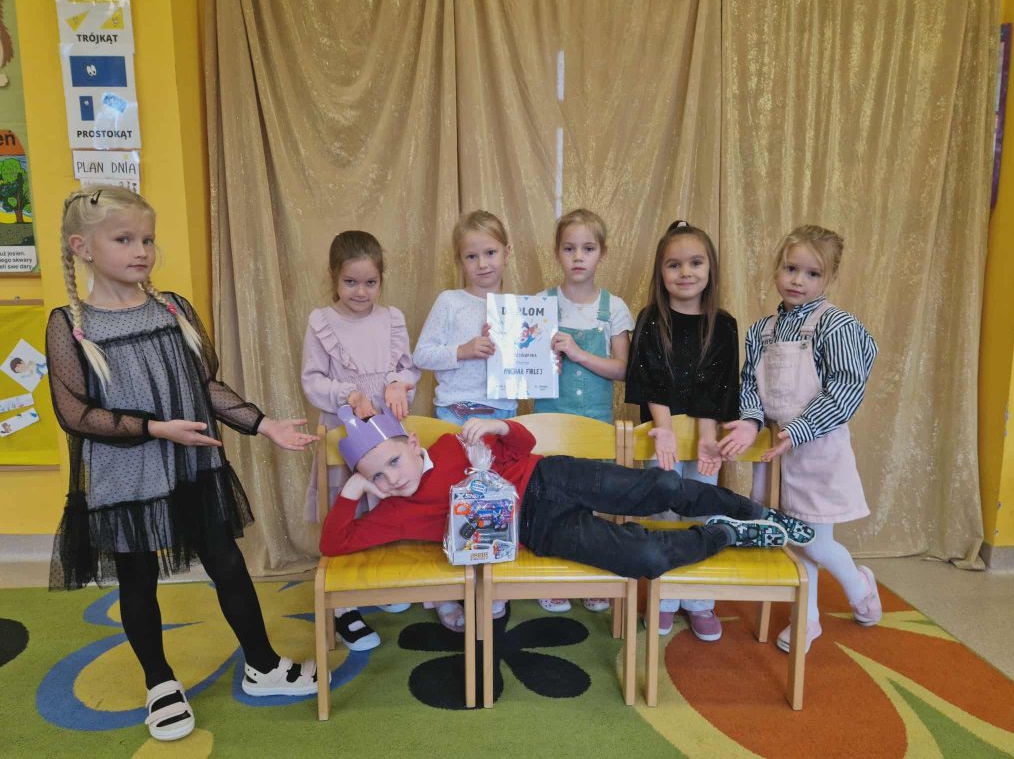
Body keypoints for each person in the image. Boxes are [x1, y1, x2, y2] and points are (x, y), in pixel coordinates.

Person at [46, 186, 321, 743]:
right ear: (82, 247)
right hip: (124, 477)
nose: (141, 250)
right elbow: (74, 413)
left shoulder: (172, 309)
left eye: (147, 239)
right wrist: (154, 428)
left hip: (188, 468)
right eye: (124, 239)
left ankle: (263, 665)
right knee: (137, 580)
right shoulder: (70, 325)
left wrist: (262, 423)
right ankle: (160, 683)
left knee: (227, 563)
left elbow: (204, 387)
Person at [319, 406, 817, 634]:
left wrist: (499, 425)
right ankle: (728, 533)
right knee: (644, 557)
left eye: (393, 462)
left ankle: (755, 511)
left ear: (412, 444)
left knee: (663, 486)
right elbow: (334, 543)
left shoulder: (453, 443)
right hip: (536, 530)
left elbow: (525, 445)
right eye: (376, 476)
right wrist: (352, 490)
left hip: (547, 476)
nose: (390, 479)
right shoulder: (394, 510)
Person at [718, 225, 881, 653]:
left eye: (812, 274)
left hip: (818, 449)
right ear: (777, 268)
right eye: (791, 268)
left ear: (829, 278)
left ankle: (859, 586)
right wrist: (750, 421)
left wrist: (800, 430)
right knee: (789, 538)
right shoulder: (761, 331)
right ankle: (807, 619)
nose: (798, 280)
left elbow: (845, 388)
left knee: (816, 540)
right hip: (775, 452)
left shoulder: (835, 325)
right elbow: (750, 386)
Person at [301, 230, 419, 652]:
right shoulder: (322, 322)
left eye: (370, 282)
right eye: (350, 282)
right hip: (346, 430)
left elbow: (408, 369)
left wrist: (397, 383)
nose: (361, 291)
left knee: (386, 505)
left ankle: (378, 582)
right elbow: (313, 380)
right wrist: (348, 395)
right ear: (334, 277)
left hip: (387, 432)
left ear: (381, 279)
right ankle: (344, 606)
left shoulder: (392, 320)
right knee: (347, 508)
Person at [625, 220, 739, 640]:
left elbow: (718, 385)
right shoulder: (651, 320)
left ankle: (699, 599)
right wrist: (666, 428)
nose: (685, 272)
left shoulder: (723, 324)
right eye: (674, 265)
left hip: (704, 437)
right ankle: (664, 597)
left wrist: (707, 436)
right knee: (662, 510)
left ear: (710, 269)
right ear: (661, 272)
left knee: (702, 509)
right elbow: (649, 379)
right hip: (662, 434)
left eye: (695, 263)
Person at [533, 208, 634, 614]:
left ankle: (591, 576)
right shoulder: (540, 304)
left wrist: (576, 353)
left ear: (602, 253)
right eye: (569, 248)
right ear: (557, 252)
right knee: (554, 497)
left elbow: (623, 369)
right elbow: (524, 364)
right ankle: (555, 577)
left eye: (588, 248)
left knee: (590, 500)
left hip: (594, 421)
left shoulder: (614, 307)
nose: (578, 257)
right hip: (550, 420)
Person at [412, 210, 517, 427]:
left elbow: (524, 365)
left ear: (506, 253)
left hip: (504, 411)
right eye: (471, 256)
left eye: (490, 252)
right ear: (460, 261)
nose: (482, 263)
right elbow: (421, 356)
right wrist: (462, 351)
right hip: (456, 411)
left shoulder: (517, 309)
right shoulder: (449, 301)